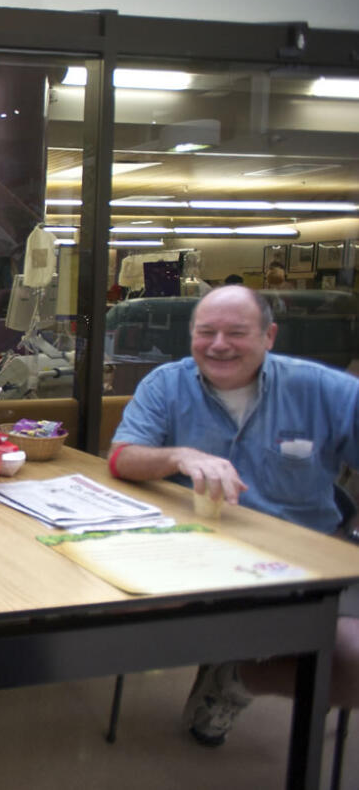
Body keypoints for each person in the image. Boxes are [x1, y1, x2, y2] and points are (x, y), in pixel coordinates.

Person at [108, 285, 359, 747]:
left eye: (236, 333)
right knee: (112, 615)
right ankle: (229, 654)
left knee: (353, 662)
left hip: (304, 563)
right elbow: (122, 457)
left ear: (269, 336)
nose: (219, 344)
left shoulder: (324, 389)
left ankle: (237, 680)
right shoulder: (166, 384)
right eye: (206, 332)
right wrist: (179, 456)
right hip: (192, 558)